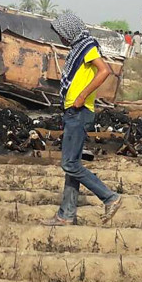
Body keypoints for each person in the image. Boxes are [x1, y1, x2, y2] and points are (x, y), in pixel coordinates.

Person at [41, 13, 121, 226]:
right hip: (72, 111)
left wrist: (82, 95)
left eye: (61, 33)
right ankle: (66, 215)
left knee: (69, 164)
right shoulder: (78, 48)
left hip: (79, 110)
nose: (61, 38)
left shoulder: (87, 46)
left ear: (69, 31)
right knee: (72, 164)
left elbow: (105, 71)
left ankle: (109, 197)